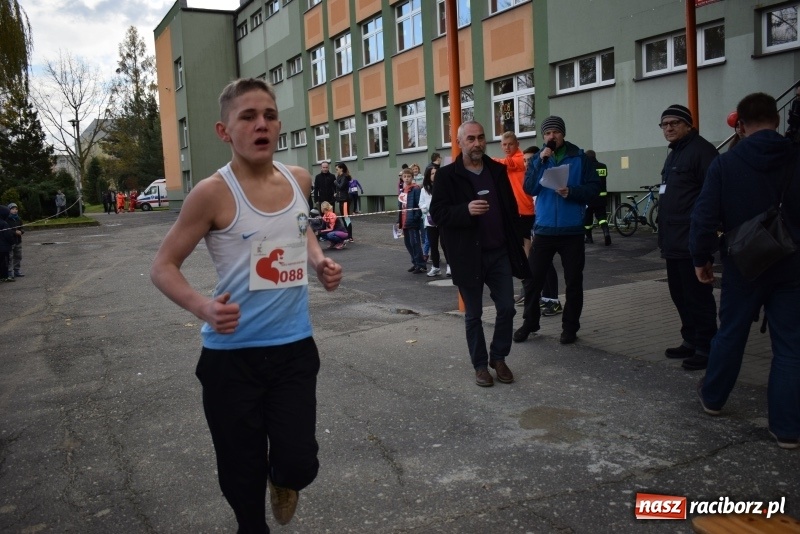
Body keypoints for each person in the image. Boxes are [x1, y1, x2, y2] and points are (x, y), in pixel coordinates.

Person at [150, 78, 343, 533]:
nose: (262, 125)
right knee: (241, 472)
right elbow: (162, 267)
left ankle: (284, 480)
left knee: (299, 463)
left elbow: (300, 228)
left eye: (270, 116)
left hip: (293, 349)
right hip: (231, 358)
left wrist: (318, 261)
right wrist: (203, 307)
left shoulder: (298, 179)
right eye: (248, 117)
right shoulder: (212, 193)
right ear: (224, 131)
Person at [690, 92, 800, 449]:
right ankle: (787, 429)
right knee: (790, 346)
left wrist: (701, 259)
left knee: (731, 333)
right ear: (777, 120)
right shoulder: (795, 157)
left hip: (744, 264)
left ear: (740, 125)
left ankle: (713, 398)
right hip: (792, 266)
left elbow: (704, 216)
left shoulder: (726, 164)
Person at [430, 120, 530, 387]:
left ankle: (499, 357)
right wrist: (465, 210)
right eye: (471, 139)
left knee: (507, 308)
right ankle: (480, 365)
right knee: (473, 314)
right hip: (467, 256)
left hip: (499, 253)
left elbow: (510, 209)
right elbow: (437, 213)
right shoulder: (447, 176)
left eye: (481, 138)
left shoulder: (497, 170)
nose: (477, 143)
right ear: (460, 143)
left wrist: (519, 240)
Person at [514, 116, 600, 345]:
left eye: (556, 132)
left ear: (563, 134)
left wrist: (572, 192)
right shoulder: (538, 158)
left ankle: (570, 327)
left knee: (573, 282)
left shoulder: (579, 157)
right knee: (532, 279)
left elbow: (594, 189)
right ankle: (530, 322)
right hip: (544, 229)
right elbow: (529, 188)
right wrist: (540, 162)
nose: (552, 136)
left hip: (571, 230)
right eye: (547, 133)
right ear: (544, 137)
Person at [657, 104, 719, 371]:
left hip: (691, 240)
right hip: (673, 240)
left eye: (675, 123)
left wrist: (706, 241)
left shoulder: (702, 151)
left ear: (688, 125)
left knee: (698, 298)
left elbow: (713, 196)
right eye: (664, 124)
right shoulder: (675, 153)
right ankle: (690, 339)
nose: (669, 128)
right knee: (679, 295)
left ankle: (706, 347)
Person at [493, 132, 533, 305]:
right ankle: (527, 290)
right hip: (516, 213)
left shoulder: (520, 159)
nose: (507, 147)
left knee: (527, 254)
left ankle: (531, 291)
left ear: (517, 143)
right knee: (520, 254)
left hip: (527, 212)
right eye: (504, 144)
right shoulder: (510, 160)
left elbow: (505, 163)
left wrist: (483, 159)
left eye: (510, 144)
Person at [521, 146, 562, 316]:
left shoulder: (546, 175)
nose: (527, 163)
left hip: (548, 226)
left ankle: (553, 300)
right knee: (540, 265)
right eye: (524, 160)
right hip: (536, 224)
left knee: (546, 264)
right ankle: (545, 297)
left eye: (530, 160)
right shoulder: (531, 177)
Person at [418, 165, 446, 276]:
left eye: (436, 173)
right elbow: (421, 203)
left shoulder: (444, 187)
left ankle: (450, 266)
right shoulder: (424, 189)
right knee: (433, 245)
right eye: (432, 173)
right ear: (428, 176)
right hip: (430, 220)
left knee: (445, 244)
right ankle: (435, 267)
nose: (434, 175)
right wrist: (425, 208)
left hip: (443, 220)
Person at [399, 167, 426, 273]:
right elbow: (401, 206)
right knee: (408, 244)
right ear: (402, 177)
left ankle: (421, 264)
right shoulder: (403, 190)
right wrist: (399, 221)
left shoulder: (416, 189)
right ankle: (415, 263)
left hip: (412, 221)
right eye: (405, 176)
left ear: (412, 177)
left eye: (408, 176)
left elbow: (419, 205)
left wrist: (415, 218)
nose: (406, 178)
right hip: (404, 220)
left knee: (415, 243)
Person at [583, 150, 612, 246]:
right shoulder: (603, 166)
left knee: (588, 219)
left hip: (589, 197)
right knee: (602, 217)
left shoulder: (586, 167)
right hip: (601, 197)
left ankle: (589, 238)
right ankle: (606, 233)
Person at [333, 163, 353, 241]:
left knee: (346, 218)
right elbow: (339, 189)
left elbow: (341, 186)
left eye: (337, 169)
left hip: (345, 200)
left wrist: (335, 182)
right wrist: (336, 194)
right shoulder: (339, 176)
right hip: (341, 199)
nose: (336, 171)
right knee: (343, 218)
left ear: (341, 169)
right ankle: (347, 234)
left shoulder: (344, 177)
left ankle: (350, 236)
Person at [7, 203, 24, 279]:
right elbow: (6, 231)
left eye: (16, 209)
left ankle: (17, 270)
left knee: (18, 256)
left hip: (18, 241)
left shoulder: (19, 219)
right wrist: (14, 232)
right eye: (13, 209)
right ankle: (9, 272)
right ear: (9, 210)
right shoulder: (6, 219)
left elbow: (22, 228)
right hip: (10, 242)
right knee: (10, 257)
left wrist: (21, 232)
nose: (15, 210)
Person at [0, 205, 16, 282]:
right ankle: (4, 276)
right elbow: (8, 235)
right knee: (5, 262)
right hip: (4, 248)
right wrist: (12, 242)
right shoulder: (4, 223)